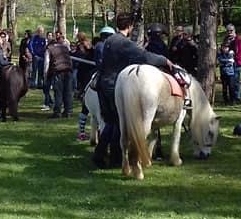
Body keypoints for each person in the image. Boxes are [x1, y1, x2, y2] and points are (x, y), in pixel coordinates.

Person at [93, 13, 174, 169]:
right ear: (129, 26)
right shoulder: (124, 43)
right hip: (115, 84)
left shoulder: (109, 40)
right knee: (119, 122)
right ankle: (115, 158)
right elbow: (144, 56)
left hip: (103, 83)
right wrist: (164, 60)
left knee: (112, 121)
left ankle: (101, 154)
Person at [72, 33, 96, 141]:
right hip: (86, 78)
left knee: (86, 107)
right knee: (85, 107)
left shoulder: (88, 48)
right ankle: (81, 133)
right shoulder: (85, 47)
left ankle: (84, 133)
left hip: (88, 76)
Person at [45, 32, 73, 119]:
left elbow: (46, 63)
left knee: (58, 92)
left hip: (58, 71)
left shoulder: (49, 49)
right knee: (68, 92)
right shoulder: (65, 48)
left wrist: (46, 75)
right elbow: (69, 59)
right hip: (68, 70)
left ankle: (57, 112)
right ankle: (68, 111)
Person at [225, 24, 241, 103]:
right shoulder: (226, 39)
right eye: (228, 31)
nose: (229, 32)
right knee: (229, 81)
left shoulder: (239, 40)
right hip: (227, 63)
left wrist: (235, 57)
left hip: (236, 63)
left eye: (231, 31)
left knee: (235, 81)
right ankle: (231, 97)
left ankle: (237, 97)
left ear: (234, 31)